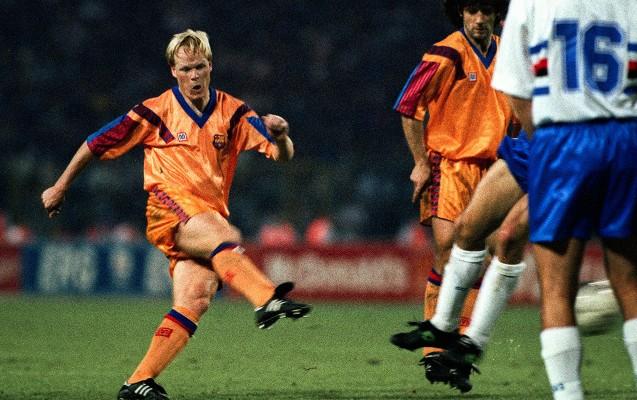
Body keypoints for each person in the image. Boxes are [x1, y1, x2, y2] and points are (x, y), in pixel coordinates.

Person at [41, 29, 312, 400]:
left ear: (210, 65)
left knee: (195, 299)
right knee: (226, 236)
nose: (194, 76)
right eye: (186, 69)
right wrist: (60, 186)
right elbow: (95, 142)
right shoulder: (155, 111)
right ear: (173, 71)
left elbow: (282, 155)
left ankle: (137, 382)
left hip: (205, 219)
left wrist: (280, 136)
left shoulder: (233, 112)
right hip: (168, 209)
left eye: (200, 67)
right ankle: (267, 298)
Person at [491, 1, 637, 398]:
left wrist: (546, 144)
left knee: (556, 288)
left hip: (562, 140)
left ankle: (567, 393)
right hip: (624, 138)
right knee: (630, 282)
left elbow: (516, 90)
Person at [391, 0, 514, 378]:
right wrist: (421, 162)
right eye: (472, 11)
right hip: (450, 166)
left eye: (486, 11)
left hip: (495, 168)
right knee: (450, 251)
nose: (479, 19)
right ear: (460, 13)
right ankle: (434, 351)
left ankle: (458, 350)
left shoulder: (510, 51)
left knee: (487, 257)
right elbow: (408, 106)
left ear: (496, 15)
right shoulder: (446, 53)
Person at [391, 131, 530, 393]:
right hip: (527, 146)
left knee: (509, 240)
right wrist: (421, 161)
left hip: (566, 151)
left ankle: (472, 343)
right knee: (465, 231)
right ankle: (442, 328)